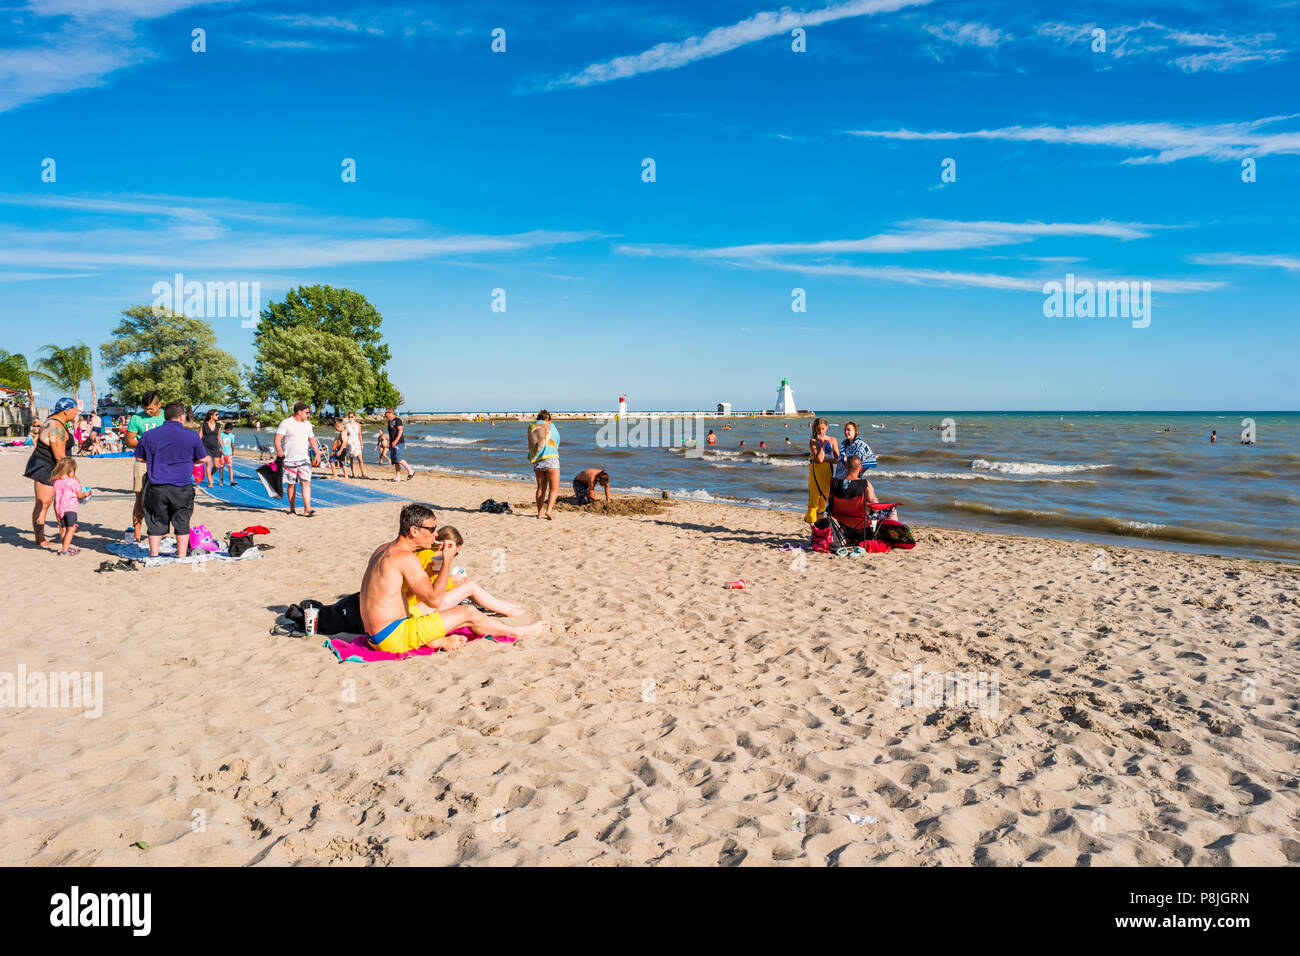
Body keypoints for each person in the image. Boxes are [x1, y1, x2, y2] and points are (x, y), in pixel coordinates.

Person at [359, 504, 548, 653]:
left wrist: (433, 572)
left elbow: (402, 593)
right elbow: (434, 600)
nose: (435, 535)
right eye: (431, 529)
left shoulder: (383, 549)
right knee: (468, 612)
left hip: (375, 635)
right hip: (394, 637)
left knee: (429, 611)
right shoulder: (405, 557)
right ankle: (519, 632)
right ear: (414, 531)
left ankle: (436, 640)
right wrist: (447, 561)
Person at [135, 402, 210, 558]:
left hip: (156, 485)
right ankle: (181, 555)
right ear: (182, 417)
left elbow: (139, 457)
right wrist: (190, 460)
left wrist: (156, 460)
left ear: (165, 416)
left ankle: (154, 554)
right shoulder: (192, 435)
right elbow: (203, 458)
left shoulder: (149, 435)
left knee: (155, 520)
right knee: (182, 519)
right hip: (181, 485)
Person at [409, 526, 525, 618]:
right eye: (456, 553)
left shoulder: (425, 554)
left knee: (465, 582)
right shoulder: (430, 559)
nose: (454, 556)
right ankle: (509, 611)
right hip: (418, 608)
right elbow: (432, 591)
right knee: (470, 587)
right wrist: (451, 579)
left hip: (420, 604)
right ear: (447, 545)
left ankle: (499, 605)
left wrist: (453, 580)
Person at [24, 397, 80, 548]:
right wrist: (72, 477)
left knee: (60, 503)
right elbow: (59, 455)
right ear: (67, 410)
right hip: (47, 468)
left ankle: (62, 534)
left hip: (54, 467)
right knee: (44, 503)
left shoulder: (55, 422)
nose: (77, 413)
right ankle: (40, 539)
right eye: (75, 410)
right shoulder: (56, 427)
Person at [125, 391, 165, 540]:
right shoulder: (136, 418)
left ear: (159, 405)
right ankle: (137, 535)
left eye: (151, 409)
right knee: (140, 497)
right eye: (145, 409)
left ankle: (158, 532)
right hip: (142, 462)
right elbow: (129, 441)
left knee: (160, 497)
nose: (147, 412)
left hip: (162, 463)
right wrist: (147, 445)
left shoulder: (166, 416)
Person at [275, 402, 322, 517]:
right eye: (307, 412)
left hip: (304, 459)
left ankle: (308, 509)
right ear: (299, 412)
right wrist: (279, 450)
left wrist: (317, 453)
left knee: (306, 483)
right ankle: (292, 509)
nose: (309, 415)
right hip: (289, 460)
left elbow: (312, 440)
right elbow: (278, 438)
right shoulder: (286, 423)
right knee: (291, 485)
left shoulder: (308, 425)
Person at [49, 457, 91, 556]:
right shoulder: (73, 481)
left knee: (63, 529)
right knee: (71, 529)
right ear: (70, 470)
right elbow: (79, 495)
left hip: (60, 509)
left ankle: (65, 546)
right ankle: (64, 551)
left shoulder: (56, 482)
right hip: (70, 509)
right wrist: (86, 494)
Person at [528, 409, 560, 519]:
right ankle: (549, 511)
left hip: (538, 460)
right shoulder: (551, 425)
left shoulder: (532, 427)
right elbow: (556, 439)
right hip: (551, 458)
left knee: (541, 488)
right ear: (547, 418)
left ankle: (540, 512)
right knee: (554, 488)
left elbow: (532, 443)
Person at [806, 416, 838, 523]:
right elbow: (819, 459)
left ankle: (819, 527)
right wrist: (823, 445)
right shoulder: (813, 441)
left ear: (827, 428)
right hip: (816, 471)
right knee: (814, 499)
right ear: (815, 429)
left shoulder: (832, 440)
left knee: (823, 500)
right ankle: (812, 525)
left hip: (827, 471)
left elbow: (838, 458)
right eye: (818, 429)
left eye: (823, 429)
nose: (821, 431)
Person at [385, 407, 415, 481]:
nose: (385, 414)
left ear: (390, 413)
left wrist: (396, 441)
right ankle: (398, 477)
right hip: (392, 443)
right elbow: (390, 434)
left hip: (399, 442)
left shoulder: (398, 420)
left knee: (398, 458)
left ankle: (410, 470)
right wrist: (389, 443)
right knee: (395, 461)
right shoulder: (389, 422)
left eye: (386, 413)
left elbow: (400, 431)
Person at [200, 409, 223, 488]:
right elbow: (199, 436)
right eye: (216, 414)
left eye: (218, 414)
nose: (218, 416)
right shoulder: (203, 424)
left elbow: (219, 437)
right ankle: (210, 482)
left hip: (215, 447)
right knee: (208, 464)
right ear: (211, 416)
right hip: (205, 446)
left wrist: (222, 448)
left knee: (216, 465)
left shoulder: (219, 425)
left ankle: (211, 475)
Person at [344, 411, 367, 479]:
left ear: (354, 417)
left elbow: (360, 435)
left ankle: (363, 473)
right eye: (349, 417)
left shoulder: (358, 425)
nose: (351, 418)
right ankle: (353, 473)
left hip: (357, 443)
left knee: (360, 459)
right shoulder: (347, 425)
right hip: (350, 443)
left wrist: (361, 444)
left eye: (352, 416)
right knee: (351, 459)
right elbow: (344, 435)